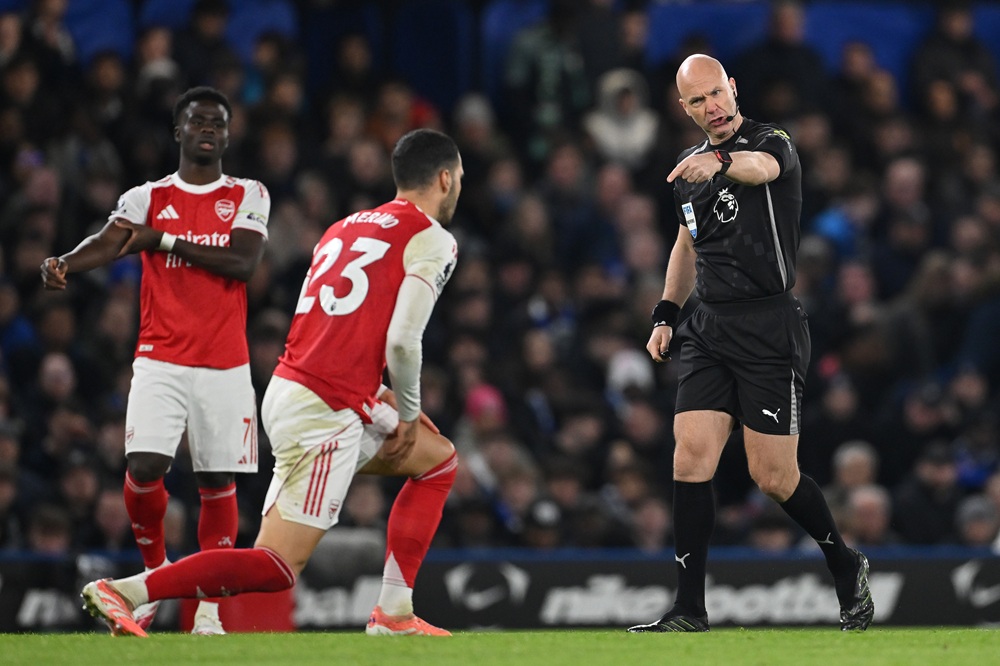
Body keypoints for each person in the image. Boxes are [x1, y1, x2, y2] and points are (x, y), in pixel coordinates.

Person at [79, 128, 462, 638]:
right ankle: (127, 589)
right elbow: (402, 341)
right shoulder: (433, 238)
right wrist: (408, 416)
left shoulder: (343, 228)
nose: (459, 187)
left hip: (296, 386)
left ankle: (394, 611)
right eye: (459, 178)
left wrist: (380, 396)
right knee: (276, 566)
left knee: (437, 461)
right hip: (325, 408)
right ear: (443, 178)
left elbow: (338, 328)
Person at [629, 55, 874, 633]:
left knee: (773, 478)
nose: (711, 107)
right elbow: (687, 243)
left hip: (770, 328)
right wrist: (666, 312)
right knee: (689, 457)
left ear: (733, 89)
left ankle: (844, 562)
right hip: (709, 327)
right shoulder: (687, 168)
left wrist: (718, 161)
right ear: (684, 109)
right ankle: (689, 608)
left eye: (717, 94)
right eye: (697, 101)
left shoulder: (773, 142)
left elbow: (759, 169)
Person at [41, 86, 270, 635]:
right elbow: (112, 239)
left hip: (225, 362)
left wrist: (162, 240)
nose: (208, 129)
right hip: (160, 357)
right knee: (144, 466)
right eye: (197, 121)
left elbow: (241, 262)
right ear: (179, 131)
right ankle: (152, 576)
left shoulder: (248, 193)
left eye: (218, 122)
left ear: (228, 134)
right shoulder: (148, 194)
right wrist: (67, 263)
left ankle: (208, 611)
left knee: (217, 480)